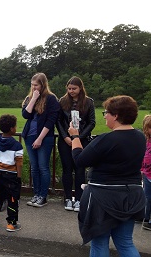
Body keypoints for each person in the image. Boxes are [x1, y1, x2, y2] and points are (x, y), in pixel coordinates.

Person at [69, 95, 145, 256]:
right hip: (131, 196)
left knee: (99, 242)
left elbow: (80, 160)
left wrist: (75, 136)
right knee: (125, 242)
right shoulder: (140, 137)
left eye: (106, 112)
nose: (104, 116)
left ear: (116, 115)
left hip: (104, 197)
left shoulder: (106, 139)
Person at [56, 76, 95, 212]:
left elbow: (91, 122)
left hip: (82, 140)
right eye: (69, 89)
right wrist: (66, 136)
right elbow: (59, 121)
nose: (71, 91)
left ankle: (79, 199)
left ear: (80, 88)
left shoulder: (88, 102)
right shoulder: (62, 101)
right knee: (67, 169)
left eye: (74, 89)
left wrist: (78, 136)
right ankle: (68, 198)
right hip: (65, 141)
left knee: (80, 169)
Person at [22, 73, 59, 207]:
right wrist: (33, 99)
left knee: (43, 167)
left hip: (44, 138)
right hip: (29, 136)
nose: (33, 87)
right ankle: (36, 194)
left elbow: (51, 122)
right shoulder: (30, 98)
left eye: (36, 85)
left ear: (43, 85)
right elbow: (25, 115)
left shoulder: (51, 99)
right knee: (34, 168)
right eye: (31, 85)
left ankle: (43, 196)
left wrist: (40, 139)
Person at [0, 114, 23, 232]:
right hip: (11, 175)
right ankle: (11, 223)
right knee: (12, 199)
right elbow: (19, 163)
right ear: (12, 128)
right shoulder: (17, 145)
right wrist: (19, 176)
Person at [141, 114, 151, 231]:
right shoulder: (146, 141)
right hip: (147, 174)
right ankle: (144, 217)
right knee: (147, 197)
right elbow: (142, 157)